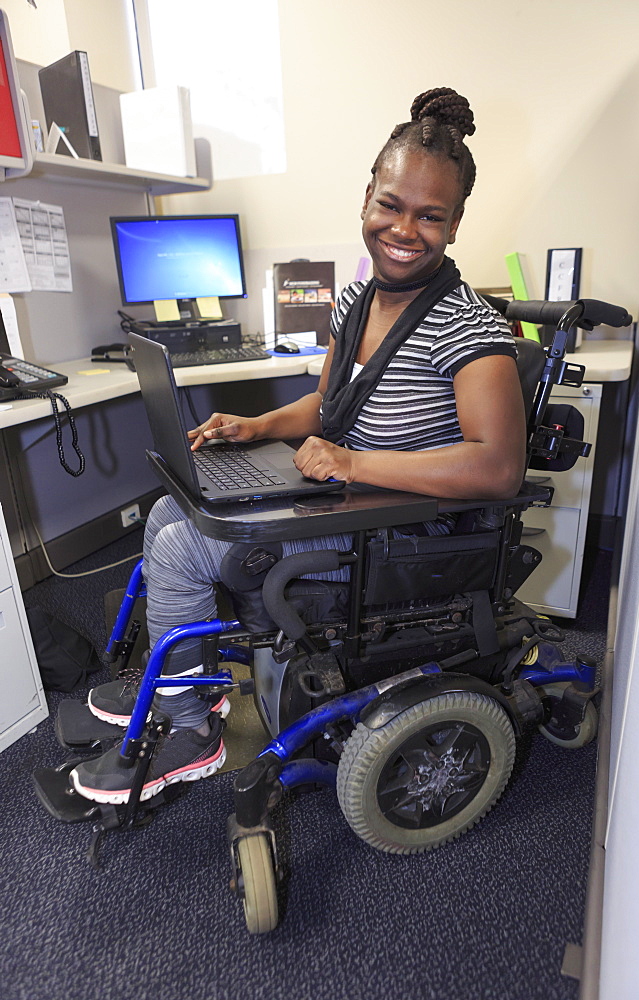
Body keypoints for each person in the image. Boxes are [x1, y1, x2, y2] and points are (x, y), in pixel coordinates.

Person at [70, 86, 526, 805]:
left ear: (456, 224)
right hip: (343, 504)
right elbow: (330, 404)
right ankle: (198, 687)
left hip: (398, 532)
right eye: (391, 205)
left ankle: (190, 729)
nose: (404, 229)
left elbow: (499, 469)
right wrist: (253, 427)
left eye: (430, 216)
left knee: (182, 546)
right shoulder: (357, 300)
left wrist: (349, 463)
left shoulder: (469, 331)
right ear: (367, 197)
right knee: (168, 515)